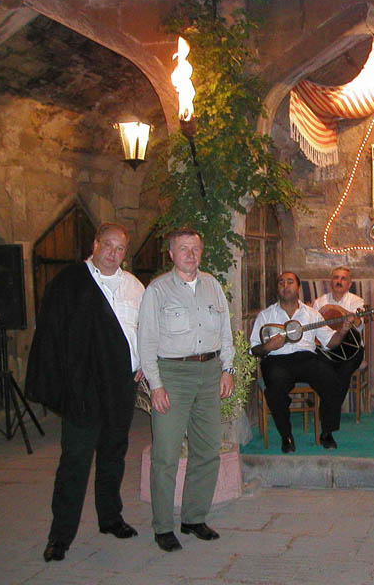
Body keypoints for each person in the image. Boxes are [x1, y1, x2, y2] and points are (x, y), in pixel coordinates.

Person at [26, 223, 145, 563]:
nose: (112, 253)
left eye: (119, 248)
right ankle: (60, 536)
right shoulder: (70, 282)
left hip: (121, 384)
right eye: (107, 245)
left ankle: (110, 518)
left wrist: (142, 362)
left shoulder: (134, 286)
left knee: (113, 454)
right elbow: (52, 333)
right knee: (75, 461)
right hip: (83, 388)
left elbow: (144, 329)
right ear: (94, 244)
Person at [138, 227, 235, 553]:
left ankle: (194, 518)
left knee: (206, 450)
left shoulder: (213, 286)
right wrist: (156, 385)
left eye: (195, 248)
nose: (190, 254)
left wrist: (228, 369)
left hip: (209, 373)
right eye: (183, 248)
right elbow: (146, 341)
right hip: (173, 375)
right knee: (165, 455)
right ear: (171, 254)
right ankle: (163, 526)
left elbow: (226, 332)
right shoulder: (158, 290)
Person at [250, 271, 353, 453]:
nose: (285, 286)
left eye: (290, 282)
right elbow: (253, 350)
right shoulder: (266, 316)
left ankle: (327, 432)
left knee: (332, 380)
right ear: (277, 288)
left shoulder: (311, 314)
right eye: (281, 282)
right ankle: (286, 436)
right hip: (276, 360)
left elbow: (331, 342)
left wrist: (343, 330)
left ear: (298, 287)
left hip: (306, 358)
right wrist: (268, 346)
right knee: (274, 388)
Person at [313, 266, 366, 410]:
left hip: (352, 348)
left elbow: (358, 323)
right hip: (326, 348)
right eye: (336, 277)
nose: (339, 281)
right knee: (319, 369)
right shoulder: (319, 302)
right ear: (331, 282)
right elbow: (313, 330)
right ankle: (329, 409)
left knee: (343, 372)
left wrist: (335, 308)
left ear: (349, 284)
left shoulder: (357, 301)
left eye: (343, 278)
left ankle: (329, 409)